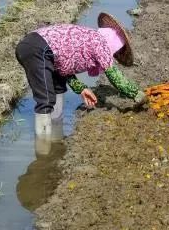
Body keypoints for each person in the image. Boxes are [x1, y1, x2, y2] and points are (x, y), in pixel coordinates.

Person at [14, 13, 145, 138]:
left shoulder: (88, 37)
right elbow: (116, 77)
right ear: (114, 44)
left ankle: (55, 135)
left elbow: (65, 68)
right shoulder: (101, 43)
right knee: (46, 99)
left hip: (39, 48)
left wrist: (81, 88)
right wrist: (137, 94)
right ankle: (43, 149)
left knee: (58, 87)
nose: (113, 54)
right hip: (38, 50)